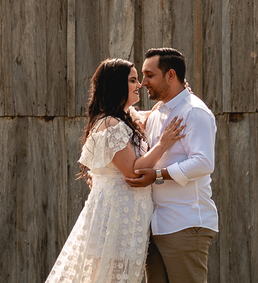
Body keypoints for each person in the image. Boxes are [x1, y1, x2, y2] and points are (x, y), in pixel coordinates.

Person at [44, 58, 184, 283]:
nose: (138, 85)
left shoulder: (126, 118)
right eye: (132, 80)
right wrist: (163, 144)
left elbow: (152, 114)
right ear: (116, 84)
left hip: (130, 215)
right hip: (114, 216)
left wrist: (177, 94)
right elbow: (132, 170)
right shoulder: (109, 124)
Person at [124, 48, 218, 283]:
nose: (144, 82)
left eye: (149, 75)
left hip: (185, 223)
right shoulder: (158, 113)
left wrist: (157, 175)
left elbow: (204, 162)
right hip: (156, 225)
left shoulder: (194, 112)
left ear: (171, 75)